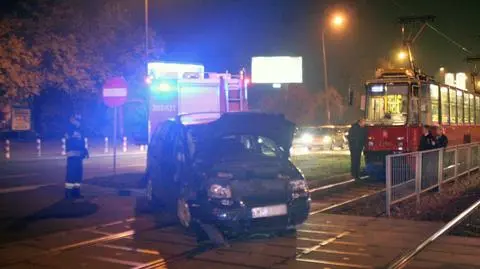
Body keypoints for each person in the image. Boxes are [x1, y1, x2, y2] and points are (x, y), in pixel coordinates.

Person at [64, 114, 89, 199]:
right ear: (72, 120)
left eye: (79, 120)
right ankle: (69, 193)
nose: (78, 121)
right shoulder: (69, 128)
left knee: (78, 174)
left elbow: (81, 142)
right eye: (77, 120)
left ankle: (76, 192)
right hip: (72, 154)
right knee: (71, 174)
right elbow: (71, 140)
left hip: (79, 155)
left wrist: (85, 151)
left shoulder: (80, 129)